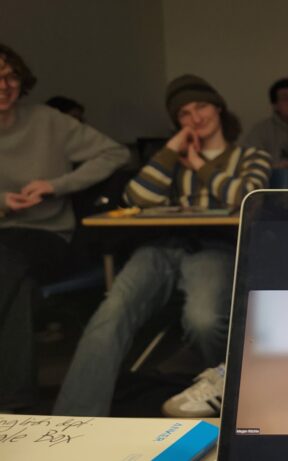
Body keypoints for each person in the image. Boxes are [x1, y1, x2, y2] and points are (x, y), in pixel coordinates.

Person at [54, 74, 272, 417]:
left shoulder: (250, 155)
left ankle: (217, 388)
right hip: (161, 247)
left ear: (218, 108)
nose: (195, 118)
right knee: (112, 313)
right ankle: (75, 419)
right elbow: (135, 197)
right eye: (184, 114)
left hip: (214, 246)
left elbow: (244, 196)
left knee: (202, 319)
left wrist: (198, 165)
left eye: (200, 107)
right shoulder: (170, 159)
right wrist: (172, 150)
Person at [0, 44, 129, 411]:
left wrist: (57, 185)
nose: (4, 84)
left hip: (48, 235)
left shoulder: (47, 120)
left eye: (9, 75)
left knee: (6, 263)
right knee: (14, 284)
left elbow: (115, 153)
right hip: (5, 240)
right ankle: (15, 404)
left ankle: (15, 404)